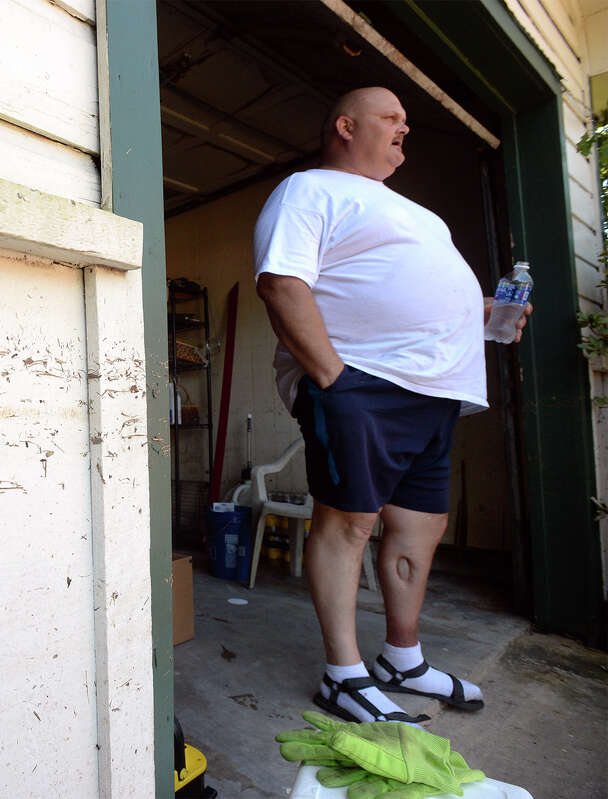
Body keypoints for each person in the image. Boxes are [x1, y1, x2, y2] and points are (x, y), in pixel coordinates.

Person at [252, 86, 530, 724]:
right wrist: (334, 379)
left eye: (407, 121)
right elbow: (281, 282)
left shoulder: (418, 215)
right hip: (364, 383)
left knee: (419, 527)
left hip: (436, 393)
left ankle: (402, 660)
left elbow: (414, 289)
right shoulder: (309, 189)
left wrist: (481, 310)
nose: (405, 128)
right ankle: (343, 676)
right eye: (391, 117)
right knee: (348, 523)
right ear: (346, 126)